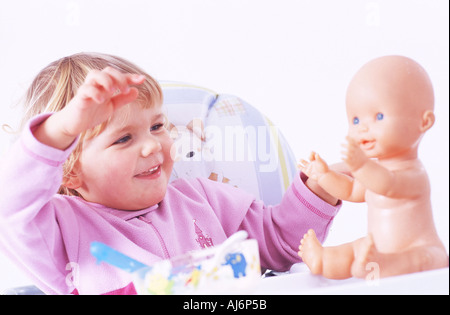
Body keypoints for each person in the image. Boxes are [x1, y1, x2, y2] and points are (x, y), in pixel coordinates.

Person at [0, 52, 341, 294]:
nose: (152, 146)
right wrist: (60, 130)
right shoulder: (61, 231)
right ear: (70, 172)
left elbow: (281, 242)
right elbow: (12, 208)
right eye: (123, 138)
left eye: (158, 125)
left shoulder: (204, 198)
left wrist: (320, 191)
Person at [298, 55, 448, 279]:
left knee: (425, 259)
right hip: (377, 248)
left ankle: (382, 266)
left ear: (423, 122)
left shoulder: (413, 174)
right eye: (356, 120)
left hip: (419, 249)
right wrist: (325, 176)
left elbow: (388, 184)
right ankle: (324, 260)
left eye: (378, 116)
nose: (363, 128)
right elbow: (350, 190)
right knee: (353, 250)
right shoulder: (371, 174)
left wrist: (360, 165)